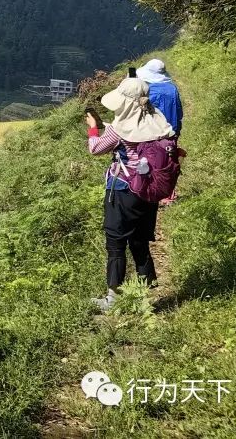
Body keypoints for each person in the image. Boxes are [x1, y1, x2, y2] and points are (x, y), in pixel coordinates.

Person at [86, 77, 175, 312]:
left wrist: (94, 128)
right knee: (139, 241)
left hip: (123, 191)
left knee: (116, 243)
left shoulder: (119, 129)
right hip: (148, 191)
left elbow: (95, 148)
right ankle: (145, 295)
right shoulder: (159, 122)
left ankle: (113, 298)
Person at [137, 58, 183, 136]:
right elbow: (179, 112)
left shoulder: (149, 91)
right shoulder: (172, 88)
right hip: (173, 130)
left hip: (156, 133)